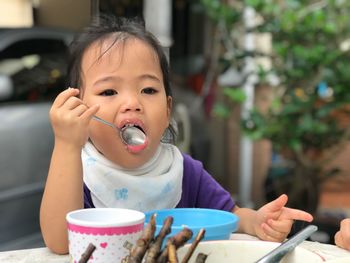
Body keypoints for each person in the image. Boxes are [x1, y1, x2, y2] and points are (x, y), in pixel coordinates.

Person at [39, 14, 313, 254]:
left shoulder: (182, 171)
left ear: (168, 108)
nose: (133, 103)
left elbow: (232, 215)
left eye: (148, 90)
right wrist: (66, 144)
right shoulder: (79, 172)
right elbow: (61, 242)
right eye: (109, 92)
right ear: (80, 110)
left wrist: (258, 222)